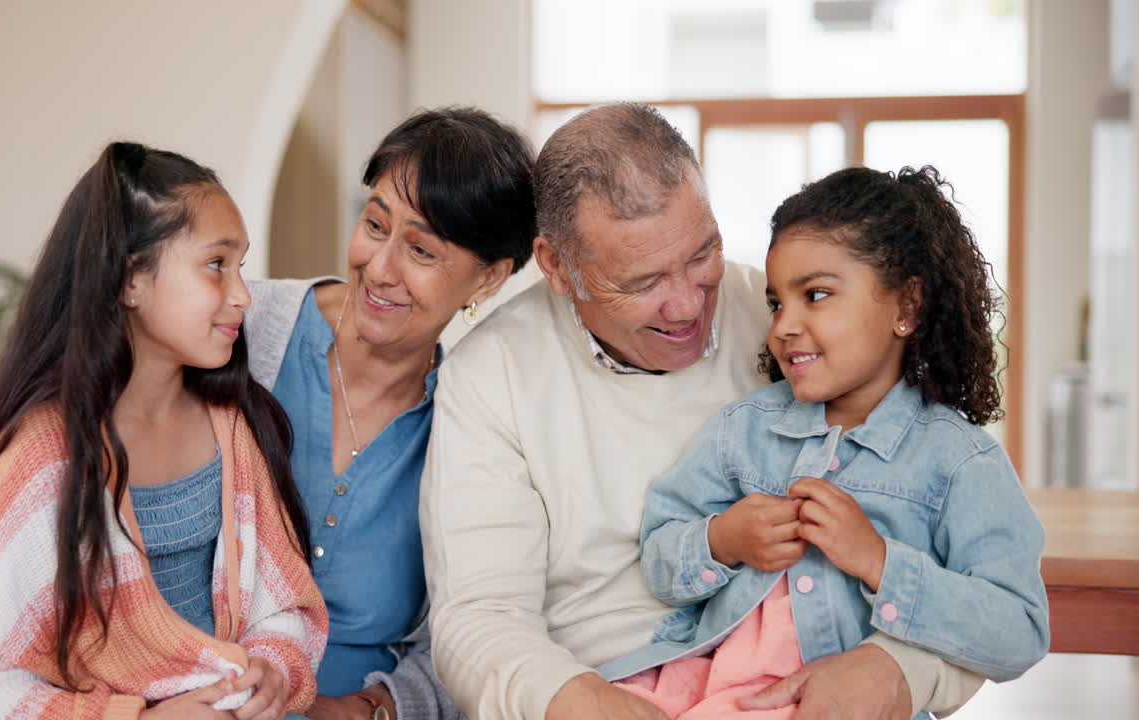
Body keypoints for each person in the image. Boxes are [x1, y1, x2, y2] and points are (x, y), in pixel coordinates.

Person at [420, 103, 988, 720]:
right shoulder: (491, 374)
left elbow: (976, 581)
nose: (688, 305)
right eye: (643, 283)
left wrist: (900, 671)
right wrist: (580, 702)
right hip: (608, 682)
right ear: (558, 266)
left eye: (702, 255)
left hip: (818, 675)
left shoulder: (792, 326)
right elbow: (480, 618)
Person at [602, 165, 1050, 719]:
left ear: (906, 307)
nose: (784, 325)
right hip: (707, 688)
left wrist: (880, 561)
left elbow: (1019, 630)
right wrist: (722, 539)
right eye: (776, 303)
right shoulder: (743, 431)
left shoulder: (960, 464)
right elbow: (661, 558)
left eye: (816, 295)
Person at [0, 142, 328, 719]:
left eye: (240, 266)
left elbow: (287, 607)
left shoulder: (235, 426)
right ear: (130, 279)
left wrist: (271, 669)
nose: (242, 293)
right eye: (216, 264)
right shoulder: (45, 458)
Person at [242, 107, 536, 720]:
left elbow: (470, 634)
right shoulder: (249, 332)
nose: (379, 268)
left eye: (421, 252)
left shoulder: (474, 422)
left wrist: (371, 708)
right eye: (375, 226)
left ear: (488, 278)